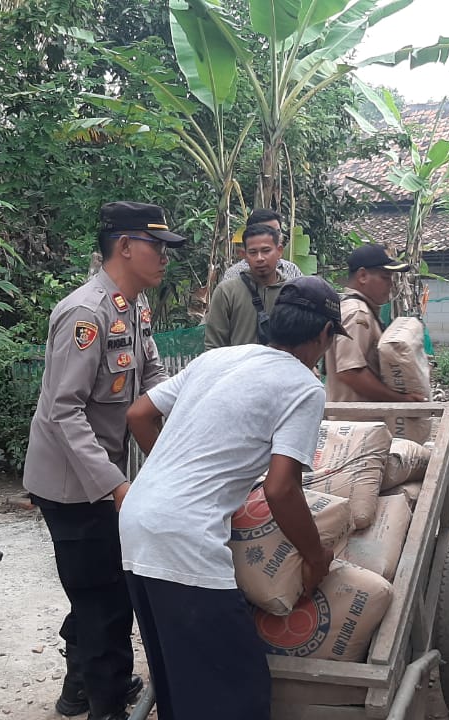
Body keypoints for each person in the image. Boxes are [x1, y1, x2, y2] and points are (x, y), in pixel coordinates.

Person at [120, 276, 344, 720]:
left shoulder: (218, 358)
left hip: (137, 521)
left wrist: (177, 470)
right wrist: (315, 555)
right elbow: (281, 489)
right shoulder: (303, 387)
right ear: (323, 335)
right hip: (186, 539)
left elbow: (139, 414)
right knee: (239, 691)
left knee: (179, 678)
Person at [21, 201, 185, 720]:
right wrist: (117, 486)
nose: (163, 257)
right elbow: (62, 410)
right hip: (73, 485)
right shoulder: (86, 314)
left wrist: (194, 410)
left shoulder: (131, 307)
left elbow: (154, 380)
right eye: (156, 246)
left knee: (100, 592)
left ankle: (78, 687)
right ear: (126, 246)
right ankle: (106, 705)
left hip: (102, 475)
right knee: (104, 601)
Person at [325, 243, 425, 403]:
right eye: (385, 277)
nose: (391, 284)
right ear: (363, 276)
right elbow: (350, 372)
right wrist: (400, 399)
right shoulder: (357, 313)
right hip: (356, 422)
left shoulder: (353, 308)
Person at [204, 223, 287, 349]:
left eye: (266, 251)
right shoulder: (227, 292)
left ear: (279, 251)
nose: (260, 258)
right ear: (244, 256)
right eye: (253, 252)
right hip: (235, 368)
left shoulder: (291, 293)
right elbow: (213, 347)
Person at [221, 209, 304, 282]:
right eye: (268, 231)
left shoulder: (292, 270)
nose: (275, 237)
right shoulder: (234, 275)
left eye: (278, 232)